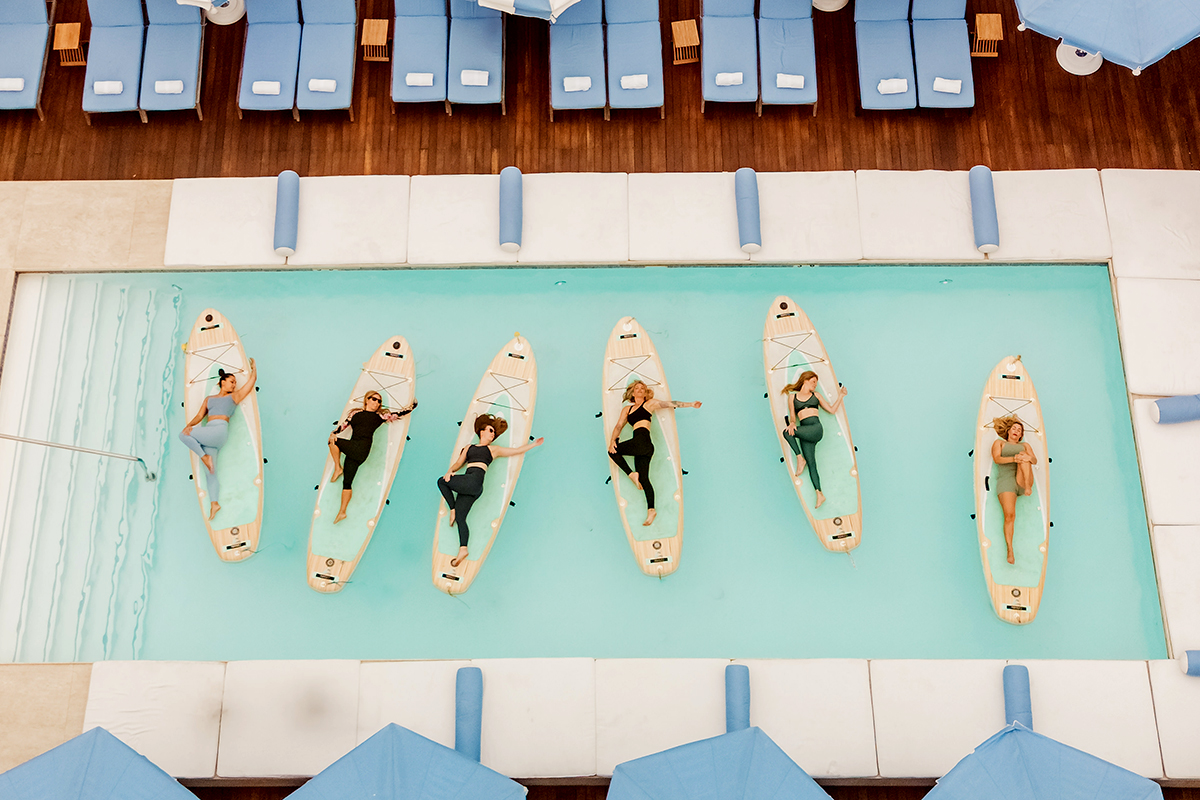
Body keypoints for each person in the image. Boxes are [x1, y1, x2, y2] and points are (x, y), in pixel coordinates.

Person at [438, 413, 544, 568]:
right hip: (472, 487)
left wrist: (533, 445)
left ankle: (452, 508)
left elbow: (515, 451)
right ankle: (463, 549)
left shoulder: (494, 450)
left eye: (494, 432)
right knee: (461, 519)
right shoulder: (469, 448)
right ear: (481, 431)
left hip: (474, 481)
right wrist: (450, 471)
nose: (492, 434)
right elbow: (458, 464)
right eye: (490, 430)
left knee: (441, 482)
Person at [608, 380, 701, 528]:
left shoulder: (650, 404)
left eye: (642, 388)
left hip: (643, 442)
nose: (640, 390)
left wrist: (690, 404)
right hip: (642, 447)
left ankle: (632, 474)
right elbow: (619, 426)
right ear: (632, 392)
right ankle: (651, 510)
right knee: (644, 479)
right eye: (637, 388)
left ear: (645, 393)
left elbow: (670, 404)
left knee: (613, 452)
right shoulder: (627, 409)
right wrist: (613, 440)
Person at [180, 359, 257, 521]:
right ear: (222, 382)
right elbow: (200, 416)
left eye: (235, 383)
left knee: (183, 435)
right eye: (231, 382)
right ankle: (214, 504)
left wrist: (253, 370)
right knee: (211, 473)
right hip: (209, 435)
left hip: (219, 431)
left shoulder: (234, 397)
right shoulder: (209, 399)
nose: (234, 385)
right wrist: (189, 426)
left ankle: (203, 456)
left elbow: (251, 384)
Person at [328, 391, 417, 524]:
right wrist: (334, 432)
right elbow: (344, 425)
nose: (377, 403)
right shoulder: (355, 414)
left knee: (333, 441)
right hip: (353, 447)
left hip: (362, 449)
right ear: (367, 400)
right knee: (347, 482)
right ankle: (342, 512)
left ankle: (337, 468)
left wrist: (412, 406)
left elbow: (398, 414)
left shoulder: (379, 417)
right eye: (374, 399)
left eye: (379, 401)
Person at [781, 370, 847, 509]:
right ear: (804, 380)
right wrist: (792, 423)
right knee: (812, 464)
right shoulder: (792, 397)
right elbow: (793, 416)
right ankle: (819, 494)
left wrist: (841, 396)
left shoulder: (815, 395)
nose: (815, 384)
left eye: (816, 382)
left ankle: (800, 458)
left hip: (815, 429)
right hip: (805, 432)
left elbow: (831, 410)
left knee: (787, 433)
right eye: (813, 381)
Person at [991, 415, 1036, 565]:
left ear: (1021, 435)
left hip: (1024, 479)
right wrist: (1014, 459)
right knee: (1010, 516)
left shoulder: (1025, 446)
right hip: (1007, 482)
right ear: (1009, 431)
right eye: (1014, 428)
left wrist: (1024, 457)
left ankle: (1028, 488)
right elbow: (997, 459)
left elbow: (1034, 460)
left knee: (1025, 456)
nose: (1017, 431)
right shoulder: (999, 443)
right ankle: (1010, 549)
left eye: (1020, 430)